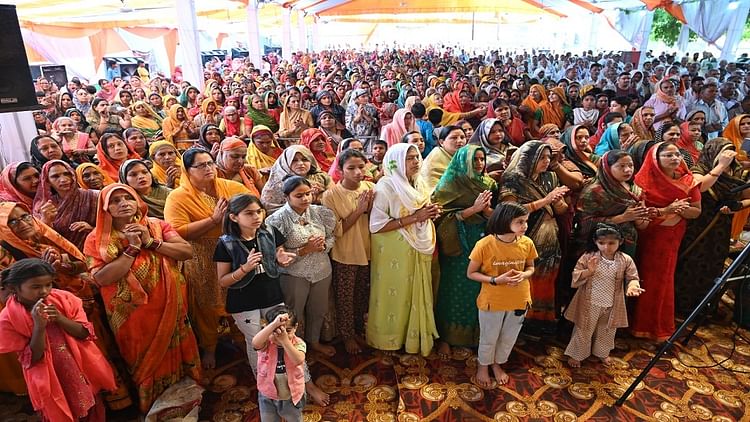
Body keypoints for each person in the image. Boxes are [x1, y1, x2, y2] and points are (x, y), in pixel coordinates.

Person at [84, 184, 200, 413]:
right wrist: (132, 249)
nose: (123, 203)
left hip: (171, 302)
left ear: (138, 199)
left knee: (178, 344)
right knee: (141, 355)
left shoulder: (157, 226)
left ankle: (188, 395)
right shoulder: (97, 239)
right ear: (105, 208)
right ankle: (153, 401)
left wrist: (151, 243)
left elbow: (186, 251)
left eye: (128, 197)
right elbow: (101, 278)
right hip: (131, 315)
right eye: (115, 201)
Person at [0, 258, 117, 421]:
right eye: (36, 287)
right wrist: (39, 327)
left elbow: (84, 334)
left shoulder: (65, 300)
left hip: (80, 367)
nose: (44, 291)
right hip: (52, 377)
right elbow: (32, 358)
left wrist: (60, 319)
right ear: (14, 288)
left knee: (91, 406)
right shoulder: (8, 319)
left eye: (48, 284)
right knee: (61, 411)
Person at [163, 148, 249, 368]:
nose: (208, 169)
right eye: (200, 166)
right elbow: (177, 231)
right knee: (206, 304)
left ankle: (243, 338)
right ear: (187, 170)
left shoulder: (231, 187)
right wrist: (213, 220)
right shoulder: (178, 197)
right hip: (202, 257)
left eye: (210, 163)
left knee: (237, 296)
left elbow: (254, 208)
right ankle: (209, 347)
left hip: (234, 252)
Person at [367, 143, 439, 357]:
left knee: (414, 292)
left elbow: (420, 212)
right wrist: (416, 217)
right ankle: (389, 339)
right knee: (394, 294)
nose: (416, 161)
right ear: (396, 162)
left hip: (418, 243)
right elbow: (377, 225)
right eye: (409, 158)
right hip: (392, 248)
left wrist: (430, 213)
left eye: (417, 157)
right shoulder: (386, 186)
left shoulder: (420, 183)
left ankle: (413, 336)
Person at [214, 194, 294, 372]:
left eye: (259, 211)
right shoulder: (226, 244)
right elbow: (223, 281)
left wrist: (280, 258)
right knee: (257, 341)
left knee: (282, 335)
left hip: (271, 295)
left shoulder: (270, 232)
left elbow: (279, 252)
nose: (257, 216)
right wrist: (245, 268)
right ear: (234, 217)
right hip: (244, 301)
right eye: (249, 213)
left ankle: (283, 374)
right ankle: (262, 380)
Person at [631, 142, 701, 341]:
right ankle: (637, 325)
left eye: (677, 154)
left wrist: (678, 211)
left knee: (662, 280)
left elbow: (696, 211)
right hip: (647, 234)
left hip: (671, 236)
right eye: (668, 155)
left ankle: (658, 328)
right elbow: (640, 212)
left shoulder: (689, 181)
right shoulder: (642, 181)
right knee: (642, 276)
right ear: (655, 159)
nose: (675, 158)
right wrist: (667, 210)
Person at [432, 145, 496, 357]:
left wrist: (486, 212)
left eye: (481, 159)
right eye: (474, 160)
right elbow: (440, 217)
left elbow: (494, 216)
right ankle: (446, 337)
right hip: (457, 243)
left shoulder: (489, 184)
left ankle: (473, 336)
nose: (479, 164)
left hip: (481, 240)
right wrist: (473, 210)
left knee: (477, 290)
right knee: (452, 290)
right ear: (463, 162)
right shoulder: (449, 184)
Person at [265, 176, 337, 358]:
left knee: (318, 309)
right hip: (294, 274)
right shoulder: (276, 220)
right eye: (299, 196)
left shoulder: (320, 213)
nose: (305, 199)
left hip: (321, 270)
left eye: (308, 194)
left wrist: (324, 246)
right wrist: (304, 250)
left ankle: (314, 342)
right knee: (293, 313)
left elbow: (332, 237)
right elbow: (277, 257)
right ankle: (293, 349)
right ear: (287, 197)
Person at [500, 141, 569, 330]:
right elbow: (509, 211)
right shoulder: (513, 179)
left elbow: (561, 210)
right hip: (524, 238)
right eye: (541, 157)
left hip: (550, 240)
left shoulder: (550, 178)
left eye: (548, 157)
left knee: (546, 282)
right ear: (528, 158)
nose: (546, 161)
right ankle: (519, 325)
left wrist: (556, 201)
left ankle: (540, 321)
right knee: (524, 282)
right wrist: (545, 200)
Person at [466, 202, 537, 387]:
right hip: (493, 300)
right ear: (505, 221)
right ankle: (483, 366)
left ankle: (497, 364)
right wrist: (495, 280)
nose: (525, 226)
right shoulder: (485, 244)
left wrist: (524, 274)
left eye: (526, 221)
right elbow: (471, 273)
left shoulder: (527, 243)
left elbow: (530, 267)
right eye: (520, 222)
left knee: (508, 337)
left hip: (519, 300)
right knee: (489, 337)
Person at [675, 139, 747, 316]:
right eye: (724, 152)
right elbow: (701, 187)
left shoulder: (739, 172)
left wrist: (737, 206)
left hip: (721, 228)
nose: (729, 156)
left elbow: (746, 197)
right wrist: (721, 166)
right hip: (699, 227)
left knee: (713, 265)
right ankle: (682, 307)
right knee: (691, 264)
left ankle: (706, 308)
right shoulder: (700, 169)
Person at [564, 224, 643, 368]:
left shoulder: (625, 260)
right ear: (595, 242)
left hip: (612, 303)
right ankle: (577, 354)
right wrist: (589, 271)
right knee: (584, 329)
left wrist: (633, 286)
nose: (606, 247)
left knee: (607, 330)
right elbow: (575, 275)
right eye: (602, 243)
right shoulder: (589, 257)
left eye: (611, 243)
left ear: (621, 241)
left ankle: (602, 353)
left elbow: (633, 277)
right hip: (590, 301)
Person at [321, 149, 375, 355]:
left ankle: (359, 330)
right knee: (345, 297)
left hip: (369, 249)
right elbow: (337, 230)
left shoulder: (371, 187)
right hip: (345, 253)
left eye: (361, 167)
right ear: (341, 170)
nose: (357, 172)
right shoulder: (331, 195)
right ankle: (347, 336)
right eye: (351, 168)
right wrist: (360, 209)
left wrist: (369, 208)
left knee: (363, 294)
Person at [574, 151, 649, 258]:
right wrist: (622, 218)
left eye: (630, 165)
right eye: (621, 166)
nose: (628, 170)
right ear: (607, 167)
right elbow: (584, 223)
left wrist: (639, 216)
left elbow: (642, 225)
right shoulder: (594, 191)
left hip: (627, 244)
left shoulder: (635, 190)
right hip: (598, 247)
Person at [251, 307, 306, 422]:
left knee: (294, 419)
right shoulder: (267, 343)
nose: (280, 335)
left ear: (296, 327)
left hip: (291, 396)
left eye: (288, 330)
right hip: (267, 394)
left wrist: (285, 341)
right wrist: (273, 325)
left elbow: (298, 360)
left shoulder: (298, 343)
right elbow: (255, 344)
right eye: (275, 331)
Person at [33, 160, 98, 251]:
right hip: (64, 255)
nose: (63, 179)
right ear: (47, 181)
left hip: (95, 250)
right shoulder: (42, 206)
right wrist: (45, 221)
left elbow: (113, 227)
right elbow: (38, 239)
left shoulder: (94, 196)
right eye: (55, 176)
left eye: (67, 174)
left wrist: (92, 229)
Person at [261, 145, 331, 213]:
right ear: (286, 163)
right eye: (294, 160)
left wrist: (321, 195)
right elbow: (270, 209)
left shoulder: (321, 177)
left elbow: (335, 198)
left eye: (305, 159)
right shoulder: (276, 184)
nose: (300, 163)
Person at [421, 125, 468, 193]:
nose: (459, 141)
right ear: (441, 142)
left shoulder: (464, 156)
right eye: (454, 138)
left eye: (462, 137)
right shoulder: (435, 159)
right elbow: (435, 192)